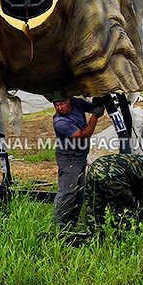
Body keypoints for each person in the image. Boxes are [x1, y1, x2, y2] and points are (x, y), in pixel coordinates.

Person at [51, 93, 104, 229]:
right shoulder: (60, 122)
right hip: (69, 158)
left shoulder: (76, 103)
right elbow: (83, 135)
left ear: (68, 100)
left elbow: (92, 108)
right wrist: (95, 116)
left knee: (79, 193)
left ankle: (71, 224)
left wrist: (98, 103)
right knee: (67, 192)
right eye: (56, 105)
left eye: (62, 103)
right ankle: (57, 227)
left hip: (80, 156)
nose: (59, 108)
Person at [84, 153, 143, 234]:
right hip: (114, 175)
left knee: (94, 210)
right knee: (126, 210)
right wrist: (137, 227)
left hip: (95, 168)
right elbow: (140, 208)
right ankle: (123, 237)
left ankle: (93, 239)